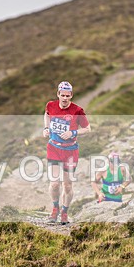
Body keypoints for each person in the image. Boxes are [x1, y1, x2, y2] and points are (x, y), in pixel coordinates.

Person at [43, 81, 90, 224]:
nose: (64, 98)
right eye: (62, 95)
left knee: (67, 185)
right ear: (58, 94)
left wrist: (73, 132)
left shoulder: (77, 111)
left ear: (71, 96)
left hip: (70, 150)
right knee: (55, 183)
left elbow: (87, 129)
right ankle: (55, 209)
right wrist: (46, 128)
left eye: (67, 96)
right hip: (54, 148)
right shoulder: (50, 105)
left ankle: (64, 211)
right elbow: (46, 115)